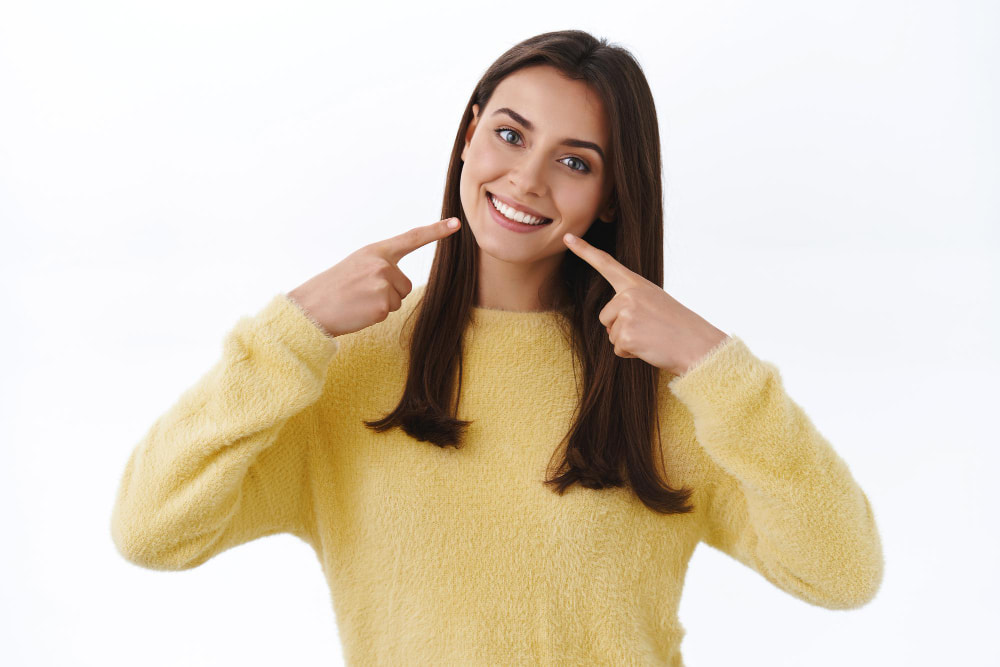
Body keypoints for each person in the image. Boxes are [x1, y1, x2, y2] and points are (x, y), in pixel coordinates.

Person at [110, 29, 884, 666]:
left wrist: (715, 363)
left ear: (611, 195)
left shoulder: (666, 390)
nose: (527, 178)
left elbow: (843, 573)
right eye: (510, 135)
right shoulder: (346, 372)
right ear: (469, 133)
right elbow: (150, 529)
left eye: (574, 161)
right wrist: (291, 329)